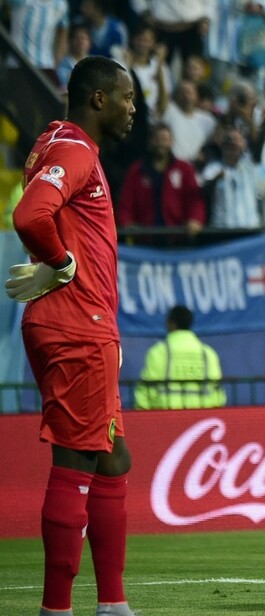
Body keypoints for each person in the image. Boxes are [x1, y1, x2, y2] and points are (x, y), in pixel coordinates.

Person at [4, 56, 137, 616]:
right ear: (99, 99)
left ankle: (113, 604)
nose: (133, 108)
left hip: (81, 323)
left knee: (113, 459)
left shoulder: (55, 143)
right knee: (77, 461)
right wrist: (60, 264)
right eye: (127, 97)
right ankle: (55, 609)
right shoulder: (75, 150)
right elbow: (29, 215)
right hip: (77, 325)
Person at [134, 305, 226, 409]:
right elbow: (218, 394)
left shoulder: (157, 352)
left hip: (163, 416)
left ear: (171, 323)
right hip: (203, 417)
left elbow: (144, 392)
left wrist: (143, 415)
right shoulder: (208, 354)